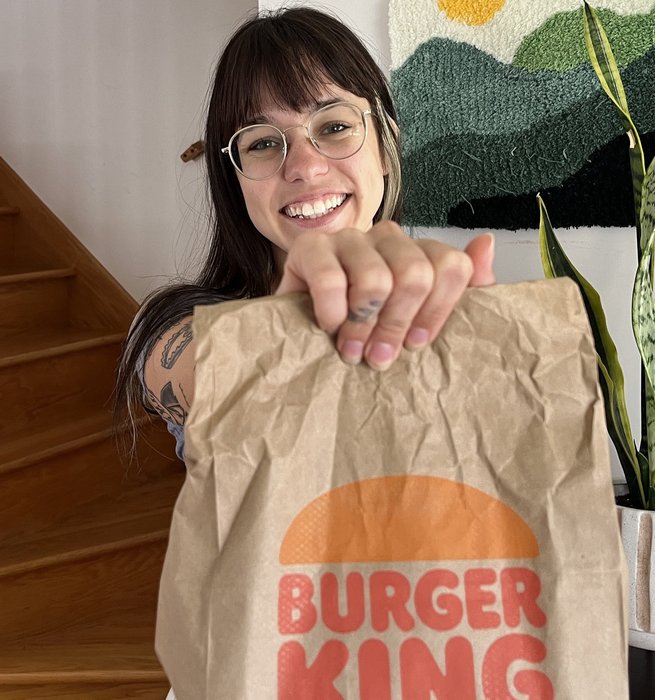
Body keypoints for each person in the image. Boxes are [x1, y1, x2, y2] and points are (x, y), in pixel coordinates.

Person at [113, 7, 495, 462]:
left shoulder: (450, 300)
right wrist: (296, 320)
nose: (305, 167)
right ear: (235, 179)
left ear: (386, 148)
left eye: (334, 127)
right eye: (262, 142)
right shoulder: (174, 327)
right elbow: (220, 380)